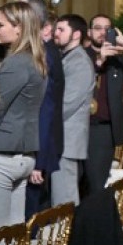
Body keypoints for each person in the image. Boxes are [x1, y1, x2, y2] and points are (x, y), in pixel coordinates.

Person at [0, 1, 46, 231]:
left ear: (18, 27)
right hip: (24, 154)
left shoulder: (16, 62)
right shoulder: (35, 60)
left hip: (3, 154)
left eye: (0, 24)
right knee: (14, 230)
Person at [83, 14, 123, 196]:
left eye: (107, 28)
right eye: (98, 28)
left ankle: (94, 223)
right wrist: (99, 61)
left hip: (103, 131)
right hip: (80, 126)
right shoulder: (81, 56)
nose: (103, 32)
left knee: (97, 185)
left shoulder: (117, 59)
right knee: (77, 183)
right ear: (89, 32)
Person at [21, 0, 64, 220]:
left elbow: (46, 111)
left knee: (30, 219)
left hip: (37, 149)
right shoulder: (39, 52)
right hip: (35, 147)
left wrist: (39, 161)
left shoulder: (44, 55)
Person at [51, 14, 95, 207]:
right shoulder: (66, 57)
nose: (56, 33)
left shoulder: (80, 62)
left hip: (67, 141)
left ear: (76, 34)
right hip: (61, 138)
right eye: (56, 29)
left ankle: (68, 237)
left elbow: (67, 104)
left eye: (61, 30)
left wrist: (42, 124)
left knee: (64, 200)